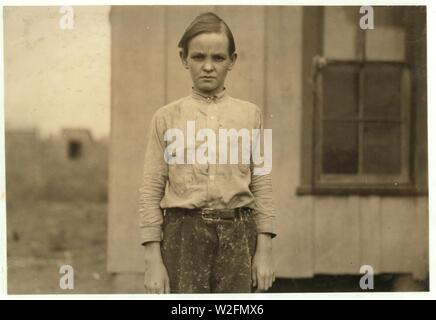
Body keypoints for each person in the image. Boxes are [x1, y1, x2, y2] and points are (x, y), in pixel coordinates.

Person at [138, 12, 276, 293]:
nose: (208, 67)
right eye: (199, 57)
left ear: (232, 61)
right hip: (183, 236)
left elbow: (262, 184)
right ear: (183, 58)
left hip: (238, 235)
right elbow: (151, 190)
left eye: (218, 58)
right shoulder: (166, 118)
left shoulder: (252, 115)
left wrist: (265, 250)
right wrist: (153, 260)